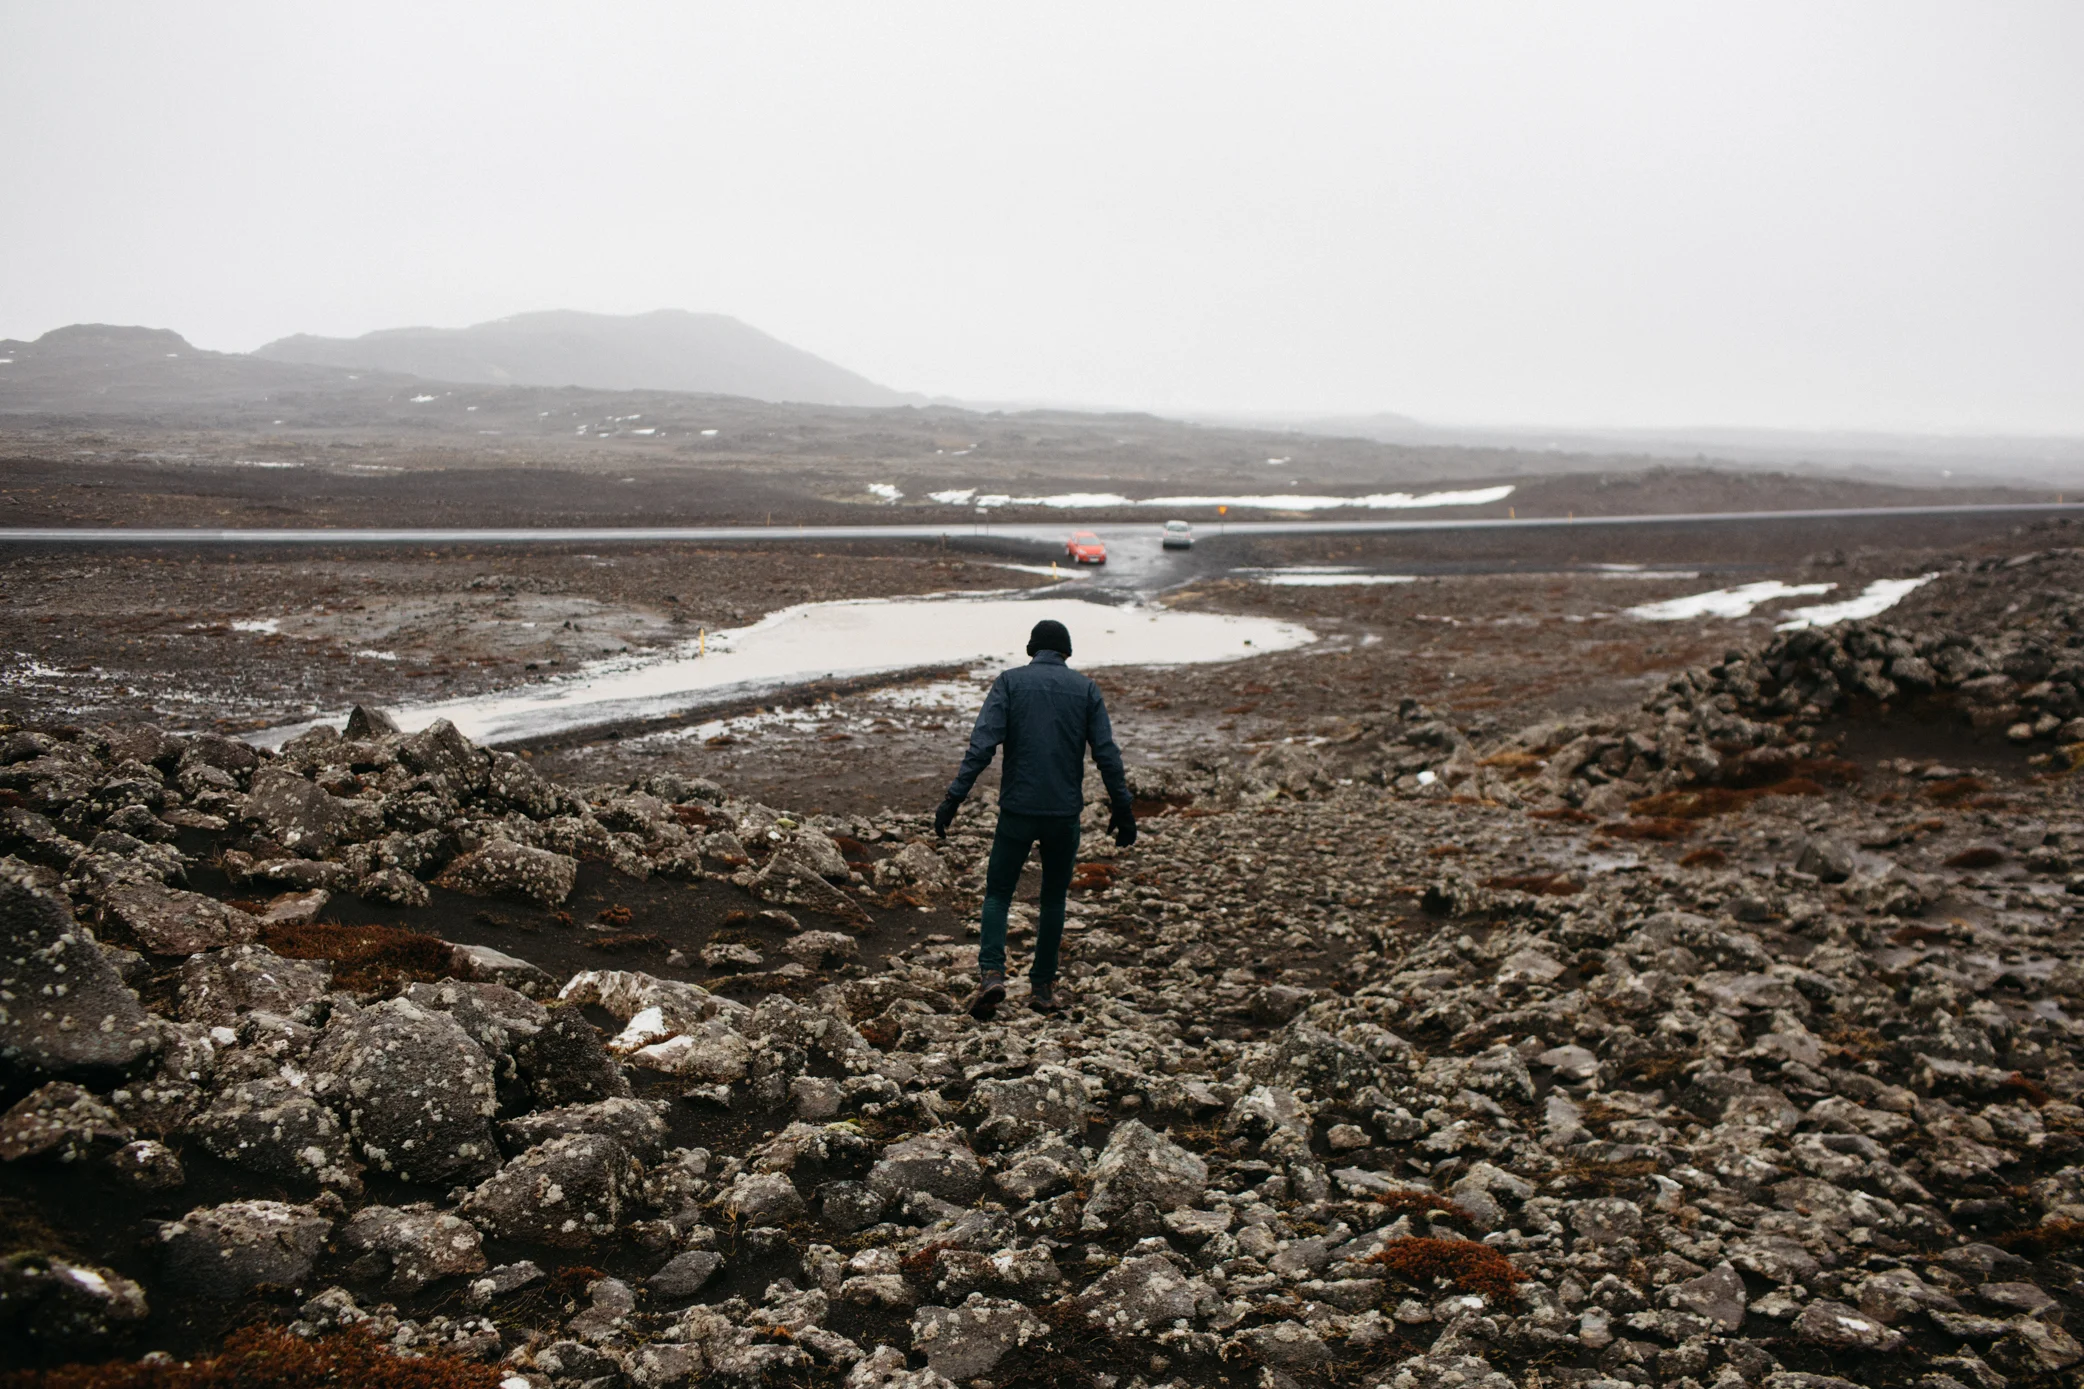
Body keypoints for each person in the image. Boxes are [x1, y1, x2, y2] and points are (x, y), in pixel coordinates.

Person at [935, 617, 1136, 1018]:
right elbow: (1107, 754)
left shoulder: (1009, 683)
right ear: (1067, 652)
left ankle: (992, 974)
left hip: (1018, 811)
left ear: (1031, 650)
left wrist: (953, 798)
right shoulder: (1086, 689)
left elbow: (982, 746)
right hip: (1064, 814)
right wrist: (1123, 807)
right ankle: (1042, 988)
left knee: (998, 893)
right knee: (1053, 898)